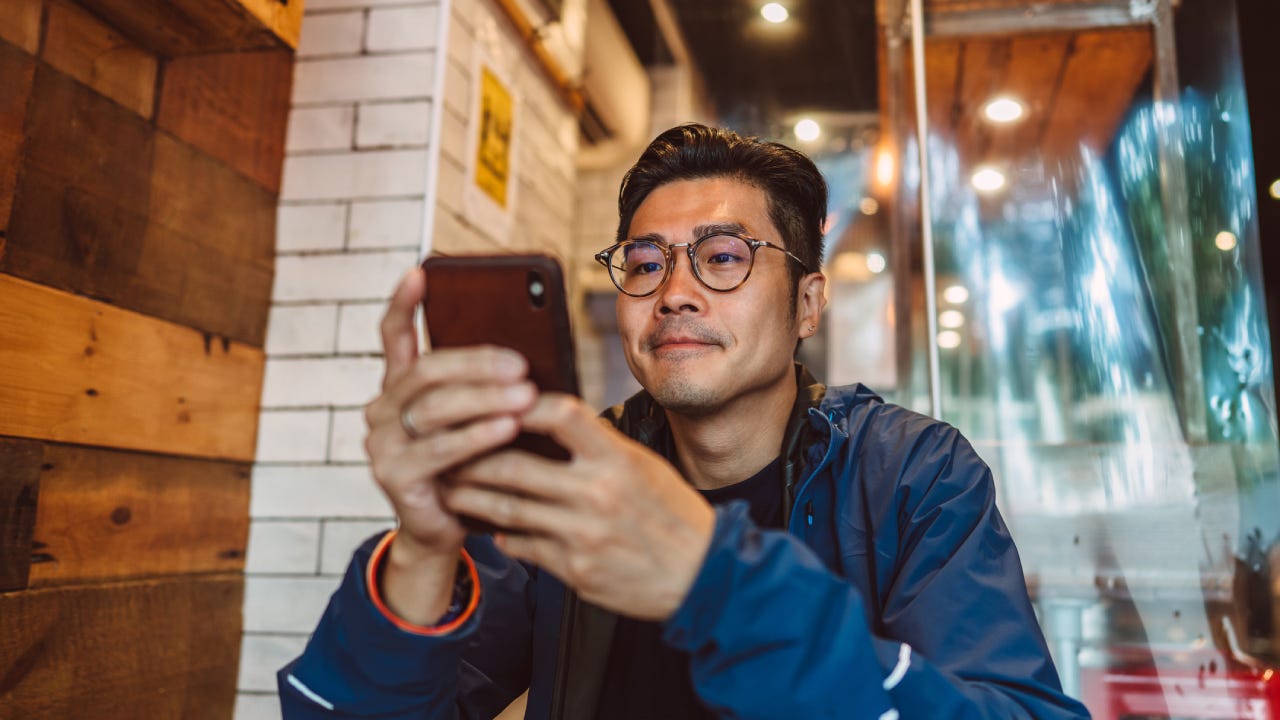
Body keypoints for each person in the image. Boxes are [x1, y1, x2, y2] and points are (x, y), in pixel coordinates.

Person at [278, 124, 1090, 719]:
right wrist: (423, 548)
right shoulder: (573, 474)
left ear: (808, 303)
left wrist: (715, 581)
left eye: (724, 256)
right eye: (644, 262)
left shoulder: (913, 473)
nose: (674, 291)